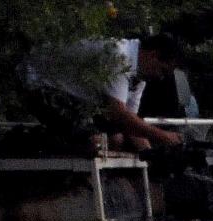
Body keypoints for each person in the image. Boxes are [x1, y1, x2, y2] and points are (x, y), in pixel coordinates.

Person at [20, 33, 186, 153]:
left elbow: (129, 123)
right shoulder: (120, 58)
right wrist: (163, 136)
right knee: (96, 141)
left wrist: (150, 153)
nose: (160, 77)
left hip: (74, 97)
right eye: (162, 70)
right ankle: (30, 146)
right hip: (39, 85)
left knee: (116, 139)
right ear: (153, 55)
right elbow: (119, 115)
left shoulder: (140, 75)